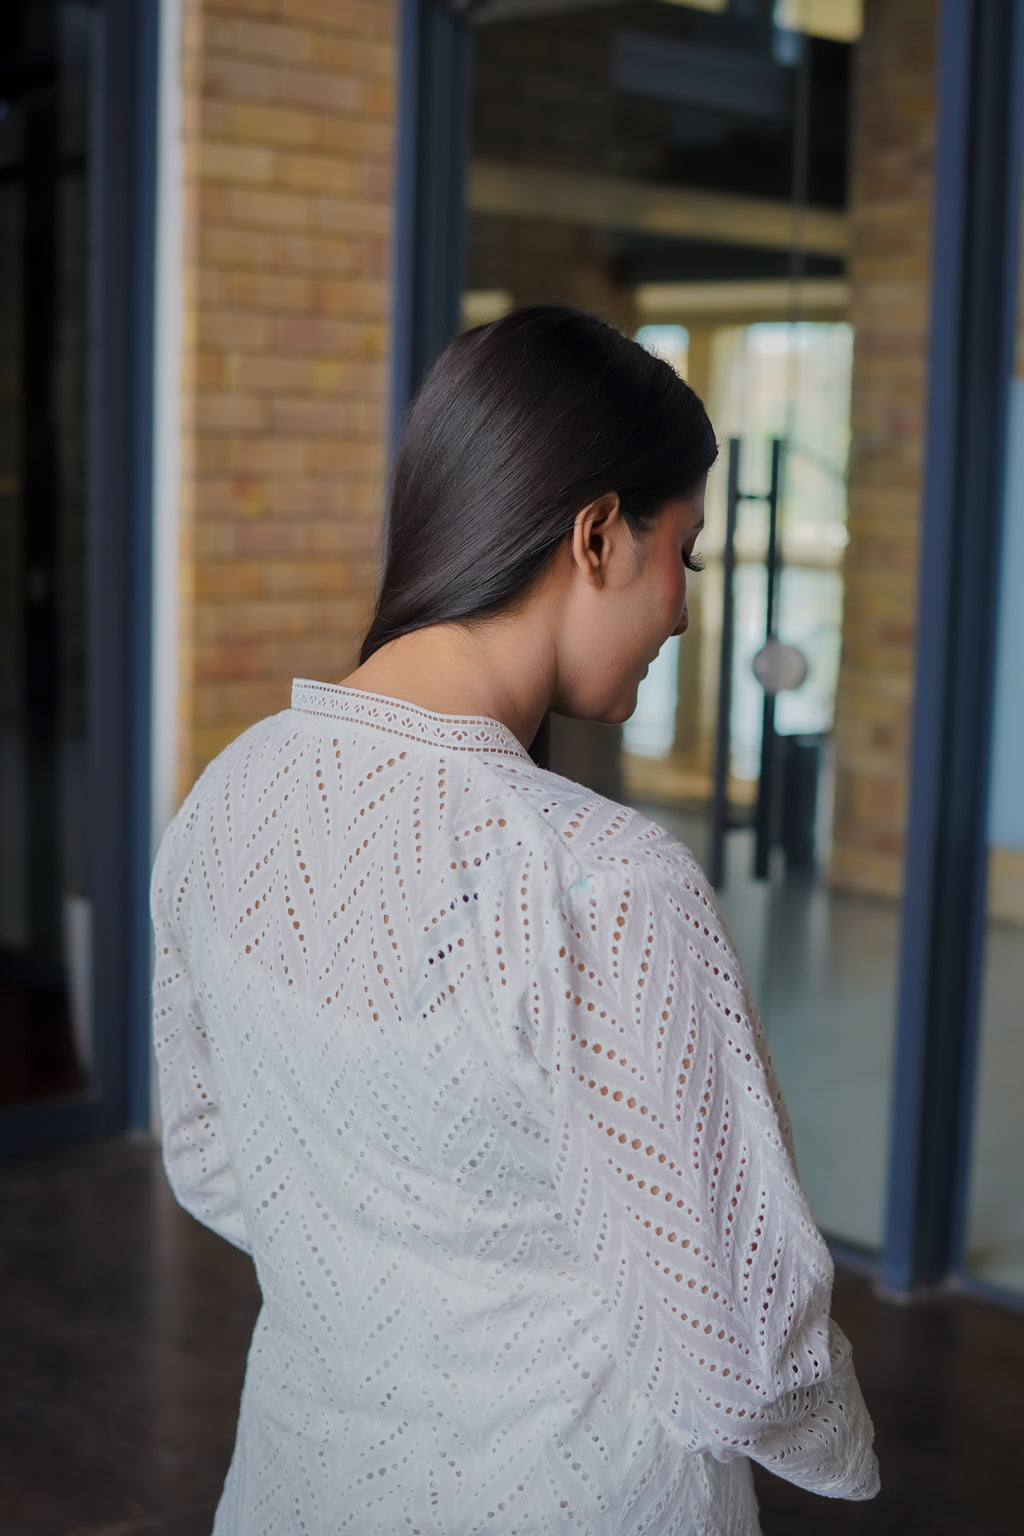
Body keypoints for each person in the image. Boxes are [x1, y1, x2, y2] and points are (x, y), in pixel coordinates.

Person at [151, 304, 879, 1535]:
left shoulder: (228, 794)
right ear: (596, 535)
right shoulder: (600, 884)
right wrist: (849, 1447)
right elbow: (743, 1362)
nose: (683, 612)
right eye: (685, 555)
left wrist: (403, 1303)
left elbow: (210, 1155)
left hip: (299, 1483)